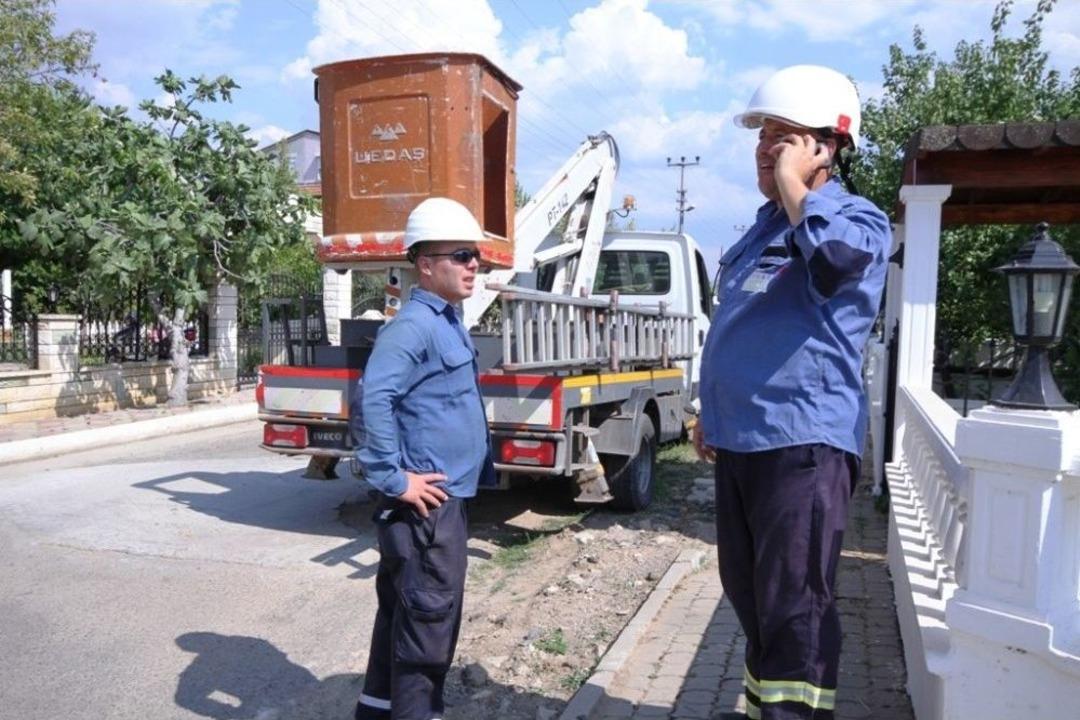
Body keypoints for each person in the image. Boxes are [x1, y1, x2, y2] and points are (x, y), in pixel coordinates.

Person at [694, 65, 891, 720]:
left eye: (780, 138)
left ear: (825, 146)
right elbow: (742, 323)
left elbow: (834, 264)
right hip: (744, 442)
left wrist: (794, 186)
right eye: (761, 138)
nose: (764, 151)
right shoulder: (765, 227)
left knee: (795, 610)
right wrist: (712, 412)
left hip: (801, 445)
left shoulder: (853, 218)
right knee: (753, 601)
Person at [353, 197, 495, 720]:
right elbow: (372, 401)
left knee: (402, 621)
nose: (474, 264)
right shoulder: (413, 326)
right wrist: (394, 479)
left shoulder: (447, 320)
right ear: (426, 264)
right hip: (425, 511)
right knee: (425, 637)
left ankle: (374, 711)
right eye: (461, 255)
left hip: (438, 507)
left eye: (475, 255)